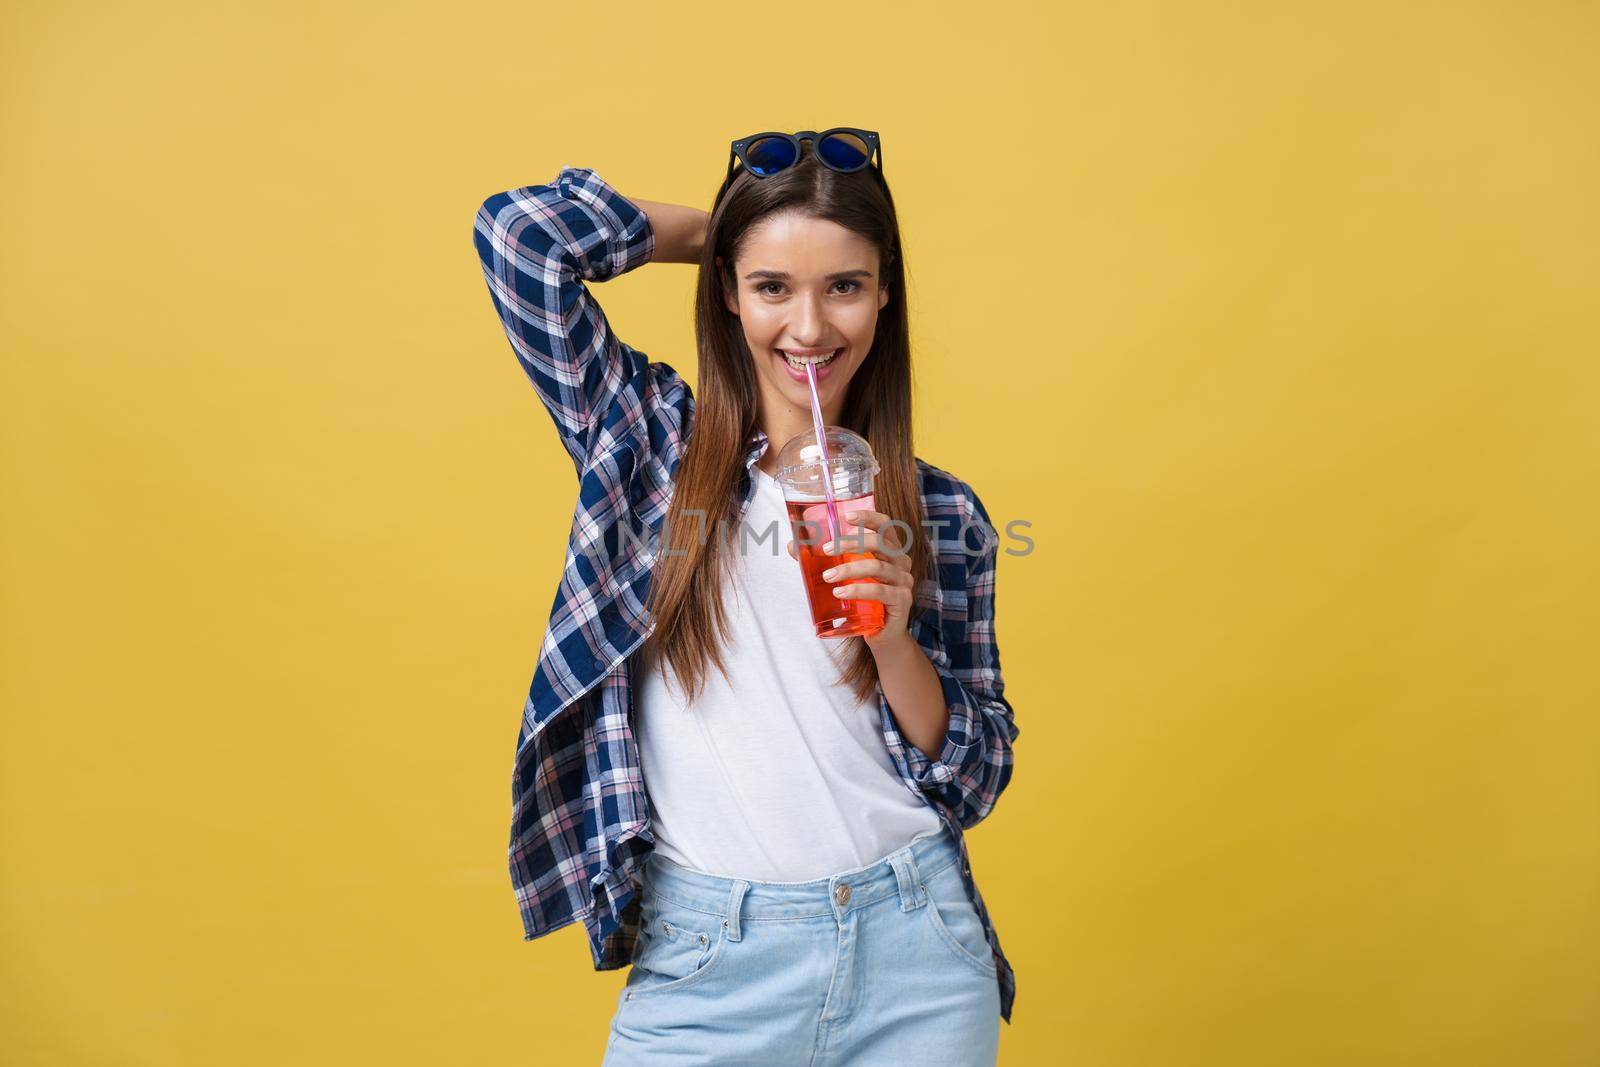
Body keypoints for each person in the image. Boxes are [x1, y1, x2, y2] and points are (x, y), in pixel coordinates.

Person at [472, 129, 1020, 1064]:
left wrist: (890, 637)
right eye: (773, 287)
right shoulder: (649, 449)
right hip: (708, 960)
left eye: (844, 285)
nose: (809, 329)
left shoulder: (940, 511)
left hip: (917, 955)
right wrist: (717, 235)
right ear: (729, 295)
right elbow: (521, 237)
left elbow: (976, 774)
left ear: (885, 294)